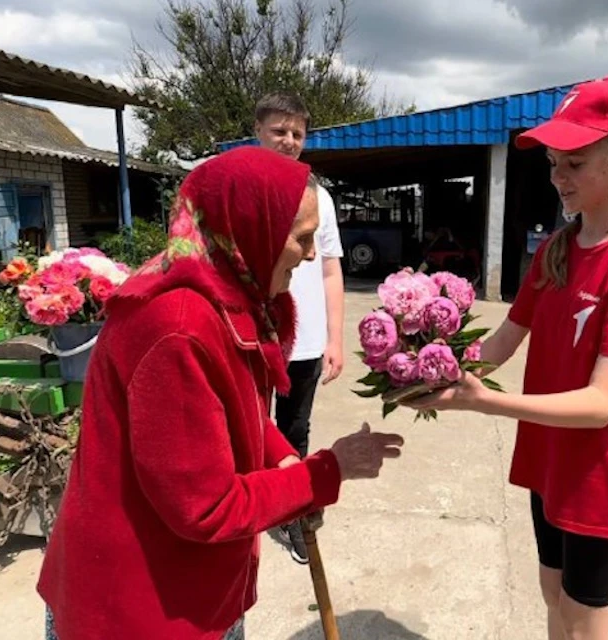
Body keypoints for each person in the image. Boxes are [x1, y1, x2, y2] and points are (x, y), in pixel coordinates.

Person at [37, 147, 404, 640]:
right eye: (301, 238)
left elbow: (238, 412)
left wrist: (286, 462)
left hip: (193, 592)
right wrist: (326, 471)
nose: (313, 254)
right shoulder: (179, 327)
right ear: (252, 229)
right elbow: (205, 508)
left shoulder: (229, 296)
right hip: (141, 611)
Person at [405, 77, 608, 640]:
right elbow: (508, 337)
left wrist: (488, 403)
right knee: (552, 594)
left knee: (584, 621)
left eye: (574, 164)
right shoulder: (558, 248)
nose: (558, 178)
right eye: (554, 162)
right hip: (548, 457)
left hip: (597, 470)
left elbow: (604, 403)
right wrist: (435, 364)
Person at [254, 92, 346, 563]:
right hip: (250, 338)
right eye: (279, 131)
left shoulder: (319, 198)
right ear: (258, 132)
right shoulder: (245, 192)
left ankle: (291, 512)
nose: (289, 141)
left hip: (304, 340)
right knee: (246, 425)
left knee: (294, 428)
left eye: (297, 133)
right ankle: (249, 508)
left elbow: (330, 269)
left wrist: (334, 338)